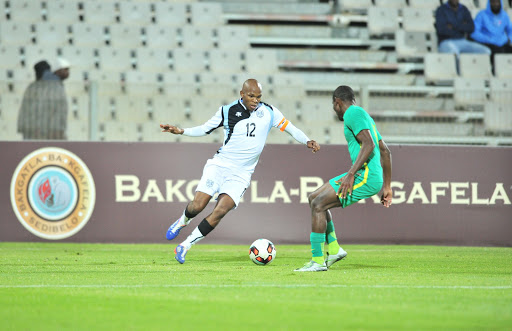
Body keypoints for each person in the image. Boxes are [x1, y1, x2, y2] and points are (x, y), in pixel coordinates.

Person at [160, 79, 320, 264]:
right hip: (220, 165)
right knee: (198, 205)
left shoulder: (269, 112)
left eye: (259, 97)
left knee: (220, 211)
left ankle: (185, 245)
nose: (255, 100)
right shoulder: (226, 111)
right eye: (251, 96)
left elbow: (291, 128)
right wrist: (181, 131)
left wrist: (307, 140)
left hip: (241, 173)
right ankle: (182, 221)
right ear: (241, 94)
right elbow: (205, 129)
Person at [294, 85, 392, 272]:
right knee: (315, 198)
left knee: (318, 204)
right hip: (368, 175)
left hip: (365, 176)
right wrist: (387, 187)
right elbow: (386, 151)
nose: (334, 110)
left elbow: (369, 144)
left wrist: (351, 173)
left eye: (334, 105)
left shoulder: (351, 114)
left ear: (337, 102)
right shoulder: (364, 116)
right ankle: (334, 249)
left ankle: (317, 261)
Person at [17, 57, 70, 140]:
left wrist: (23, 129)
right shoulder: (56, 86)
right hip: (53, 132)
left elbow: (25, 110)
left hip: (33, 132)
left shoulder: (33, 87)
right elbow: (60, 111)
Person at [435, 0, 491, 72]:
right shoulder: (441, 10)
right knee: (454, 53)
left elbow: (471, 28)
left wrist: (454, 26)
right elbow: (441, 30)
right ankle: (459, 76)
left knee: (486, 51)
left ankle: (480, 73)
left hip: (462, 40)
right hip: (446, 42)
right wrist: (462, 26)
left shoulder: (464, 9)